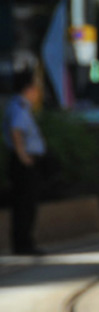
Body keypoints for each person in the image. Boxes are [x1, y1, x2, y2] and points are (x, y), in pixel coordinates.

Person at [3, 52, 47, 256]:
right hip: (23, 162)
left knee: (26, 204)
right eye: (36, 88)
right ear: (29, 89)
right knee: (24, 205)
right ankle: (23, 245)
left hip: (24, 161)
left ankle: (25, 243)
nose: (38, 92)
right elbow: (16, 131)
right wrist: (23, 156)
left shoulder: (20, 105)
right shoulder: (20, 106)